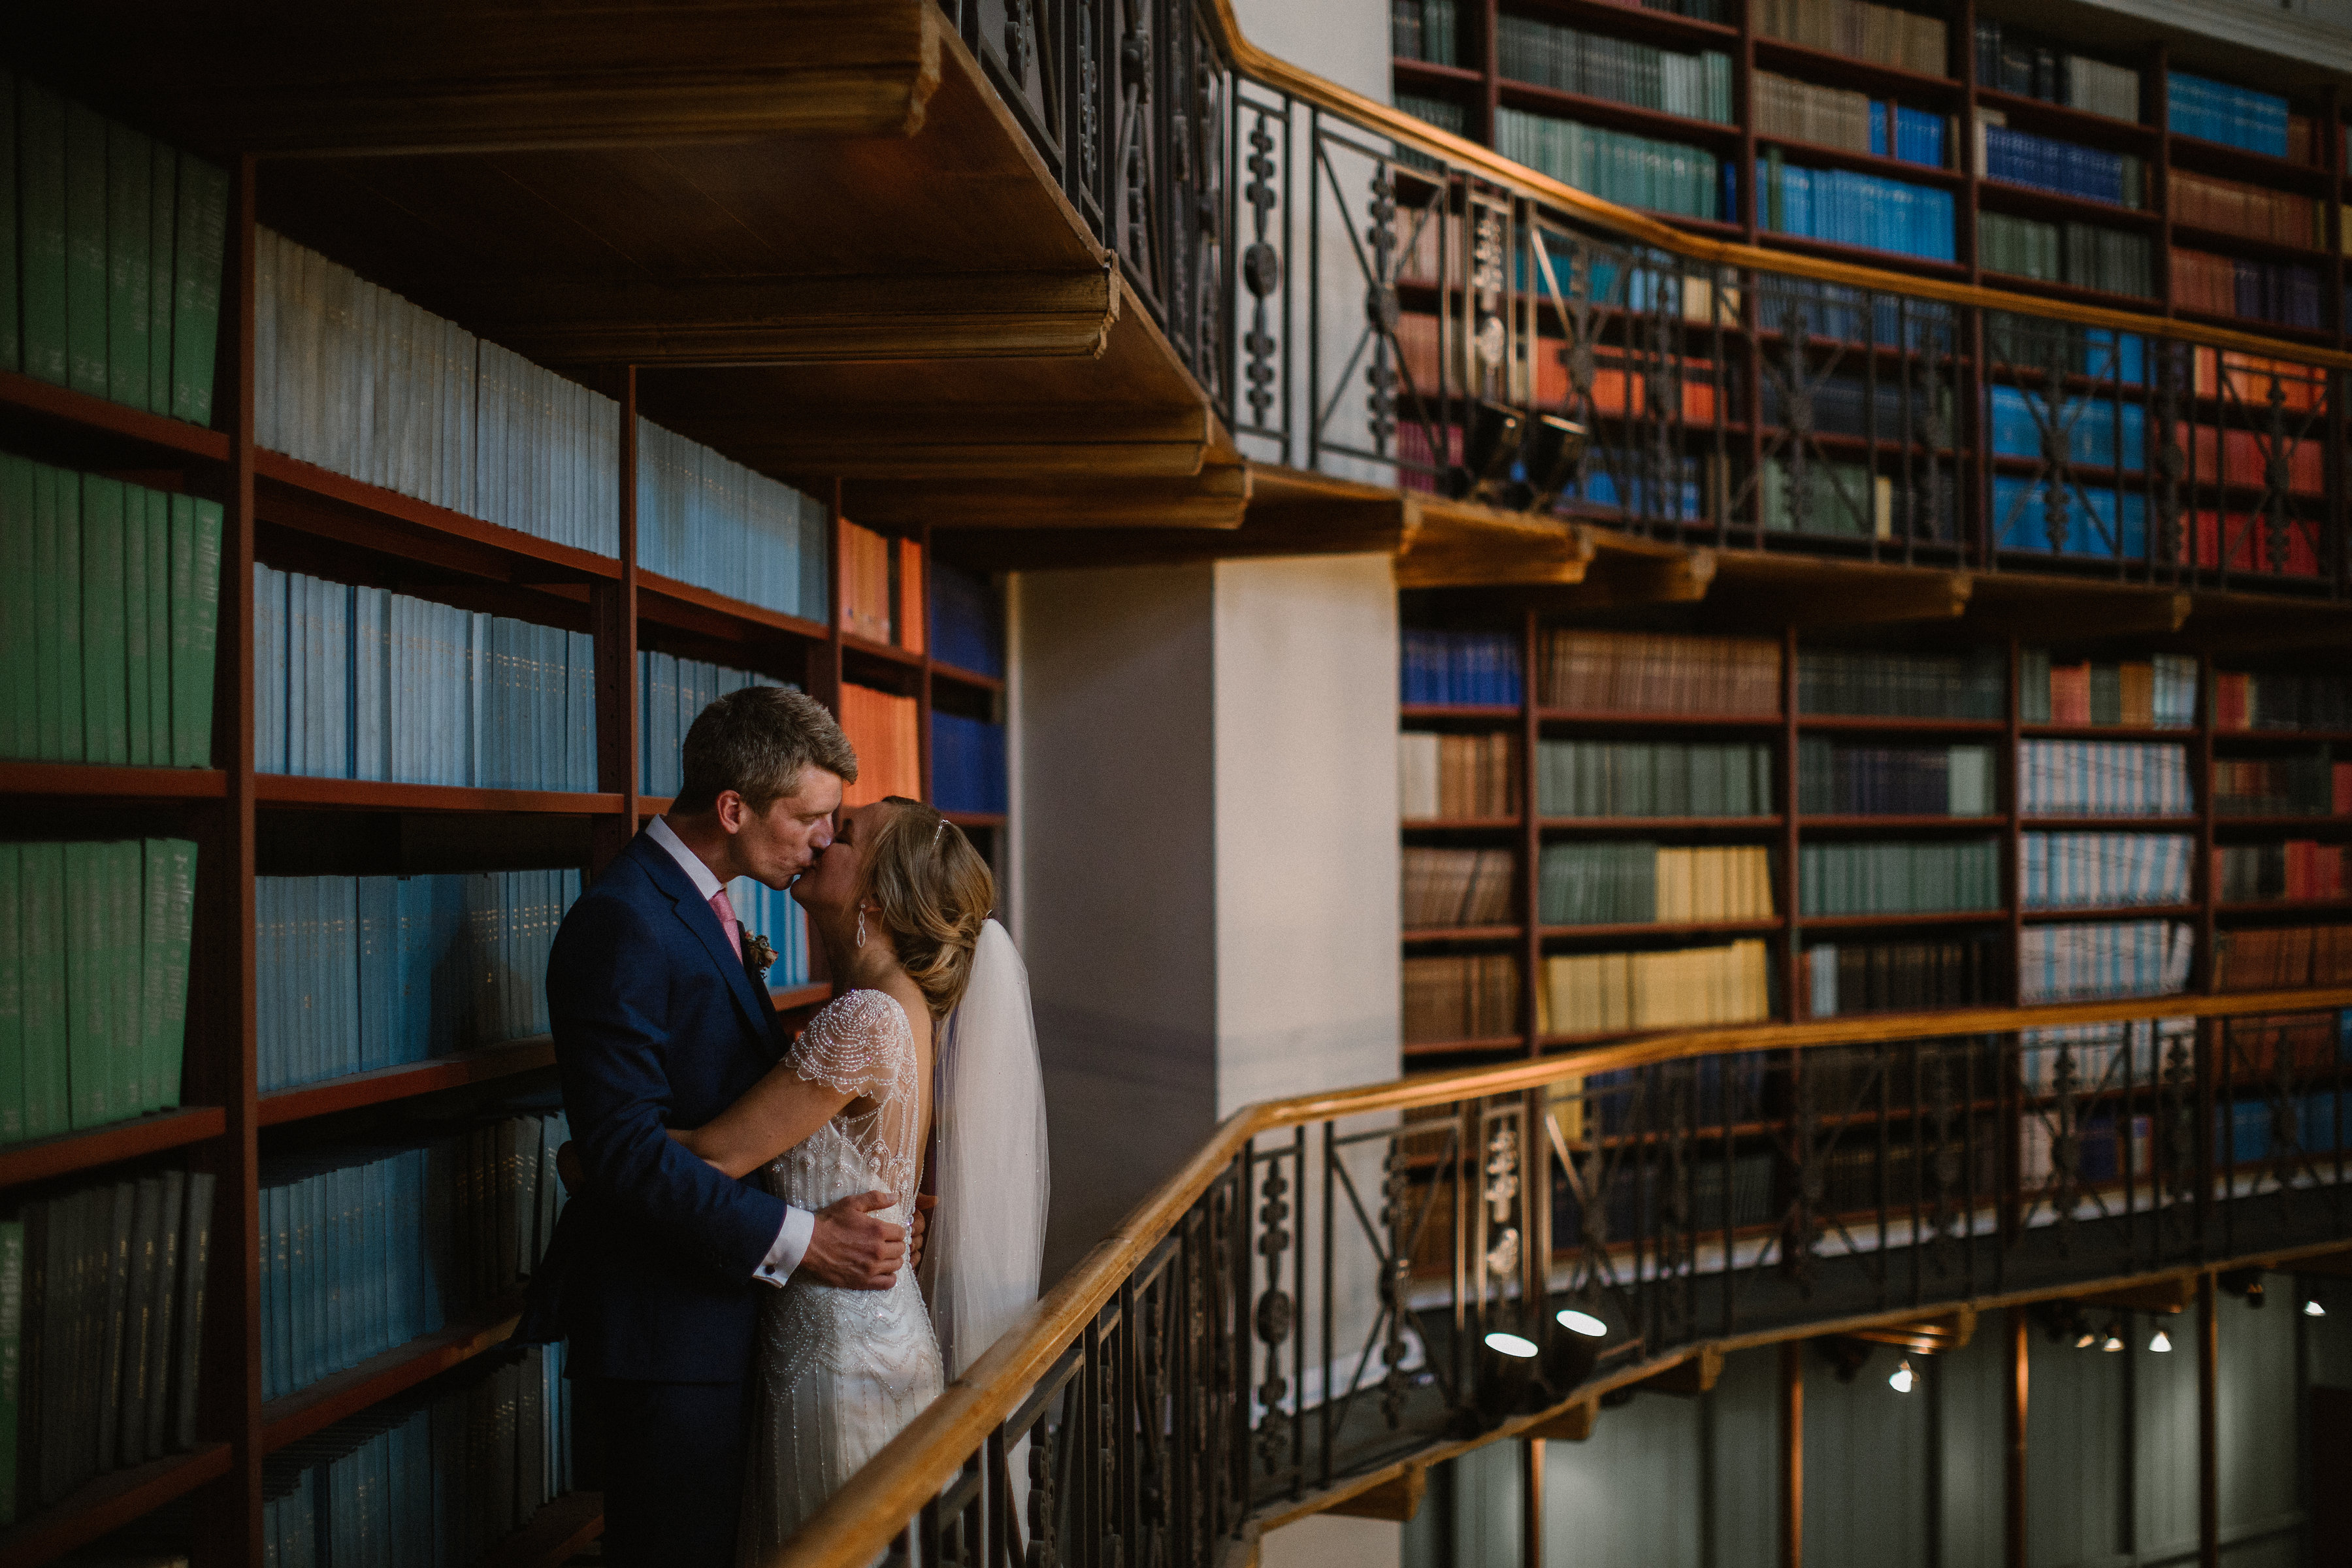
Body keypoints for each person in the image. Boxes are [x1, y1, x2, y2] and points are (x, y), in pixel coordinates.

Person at [520, 687, 911, 1568]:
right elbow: (623, 1152)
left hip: (719, 1316)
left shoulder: (705, 908)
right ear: (733, 809)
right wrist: (804, 1239)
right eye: (810, 818)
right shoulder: (623, 920)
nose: (821, 840)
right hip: (664, 1333)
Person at [662, 794, 1047, 1560]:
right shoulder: (895, 1007)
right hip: (861, 1328)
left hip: (840, 1352)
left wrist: (584, 1152)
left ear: (876, 893)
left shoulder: (865, 1017)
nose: (820, 838)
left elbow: (714, 1154)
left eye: (846, 835)